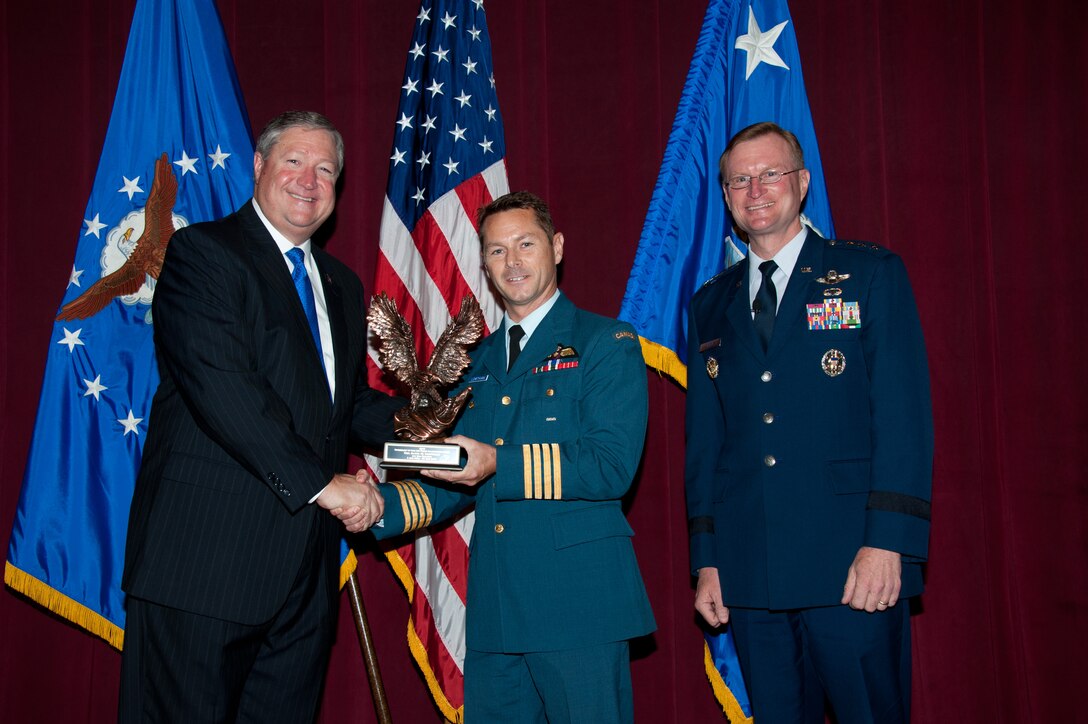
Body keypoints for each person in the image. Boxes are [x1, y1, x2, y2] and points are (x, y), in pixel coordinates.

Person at [119, 111, 401, 723]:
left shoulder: (342, 286)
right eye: (294, 161)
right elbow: (226, 389)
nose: (309, 179)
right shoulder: (202, 253)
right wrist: (327, 485)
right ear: (258, 166)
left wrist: (442, 435)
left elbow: (345, 405)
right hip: (202, 567)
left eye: (326, 169)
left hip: (303, 579)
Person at [357, 191, 655, 723]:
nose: (512, 262)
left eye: (525, 244)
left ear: (557, 247)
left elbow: (609, 465)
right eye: (496, 251)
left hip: (577, 608)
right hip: (497, 614)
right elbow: (456, 474)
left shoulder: (605, 342)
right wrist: (378, 507)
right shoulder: (478, 362)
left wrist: (498, 463)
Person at [685, 122, 933, 724]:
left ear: (802, 183)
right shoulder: (709, 302)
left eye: (770, 174)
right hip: (751, 567)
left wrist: (887, 543)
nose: (756, 190)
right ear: (725, 196)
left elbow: (903, 417)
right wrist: (708, 557)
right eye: (739, 180)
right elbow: (706, 442)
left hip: (849, 561)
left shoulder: (869, 274)